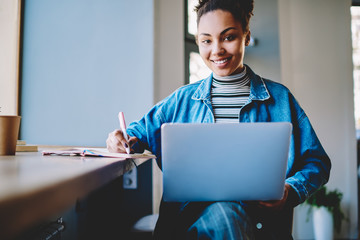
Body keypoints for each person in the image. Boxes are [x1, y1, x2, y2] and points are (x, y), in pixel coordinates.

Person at [106, 0, 331, 239]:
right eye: (206, 40)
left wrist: (289, 190)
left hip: (261, 226)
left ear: (246, 36)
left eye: (228, 37)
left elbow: (316, 161)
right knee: (225, 214)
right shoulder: (180, 101)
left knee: (228, 215)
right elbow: (134, 137)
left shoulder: (281, 100)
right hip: (188, 222)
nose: (217, 50)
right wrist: (118, 141)